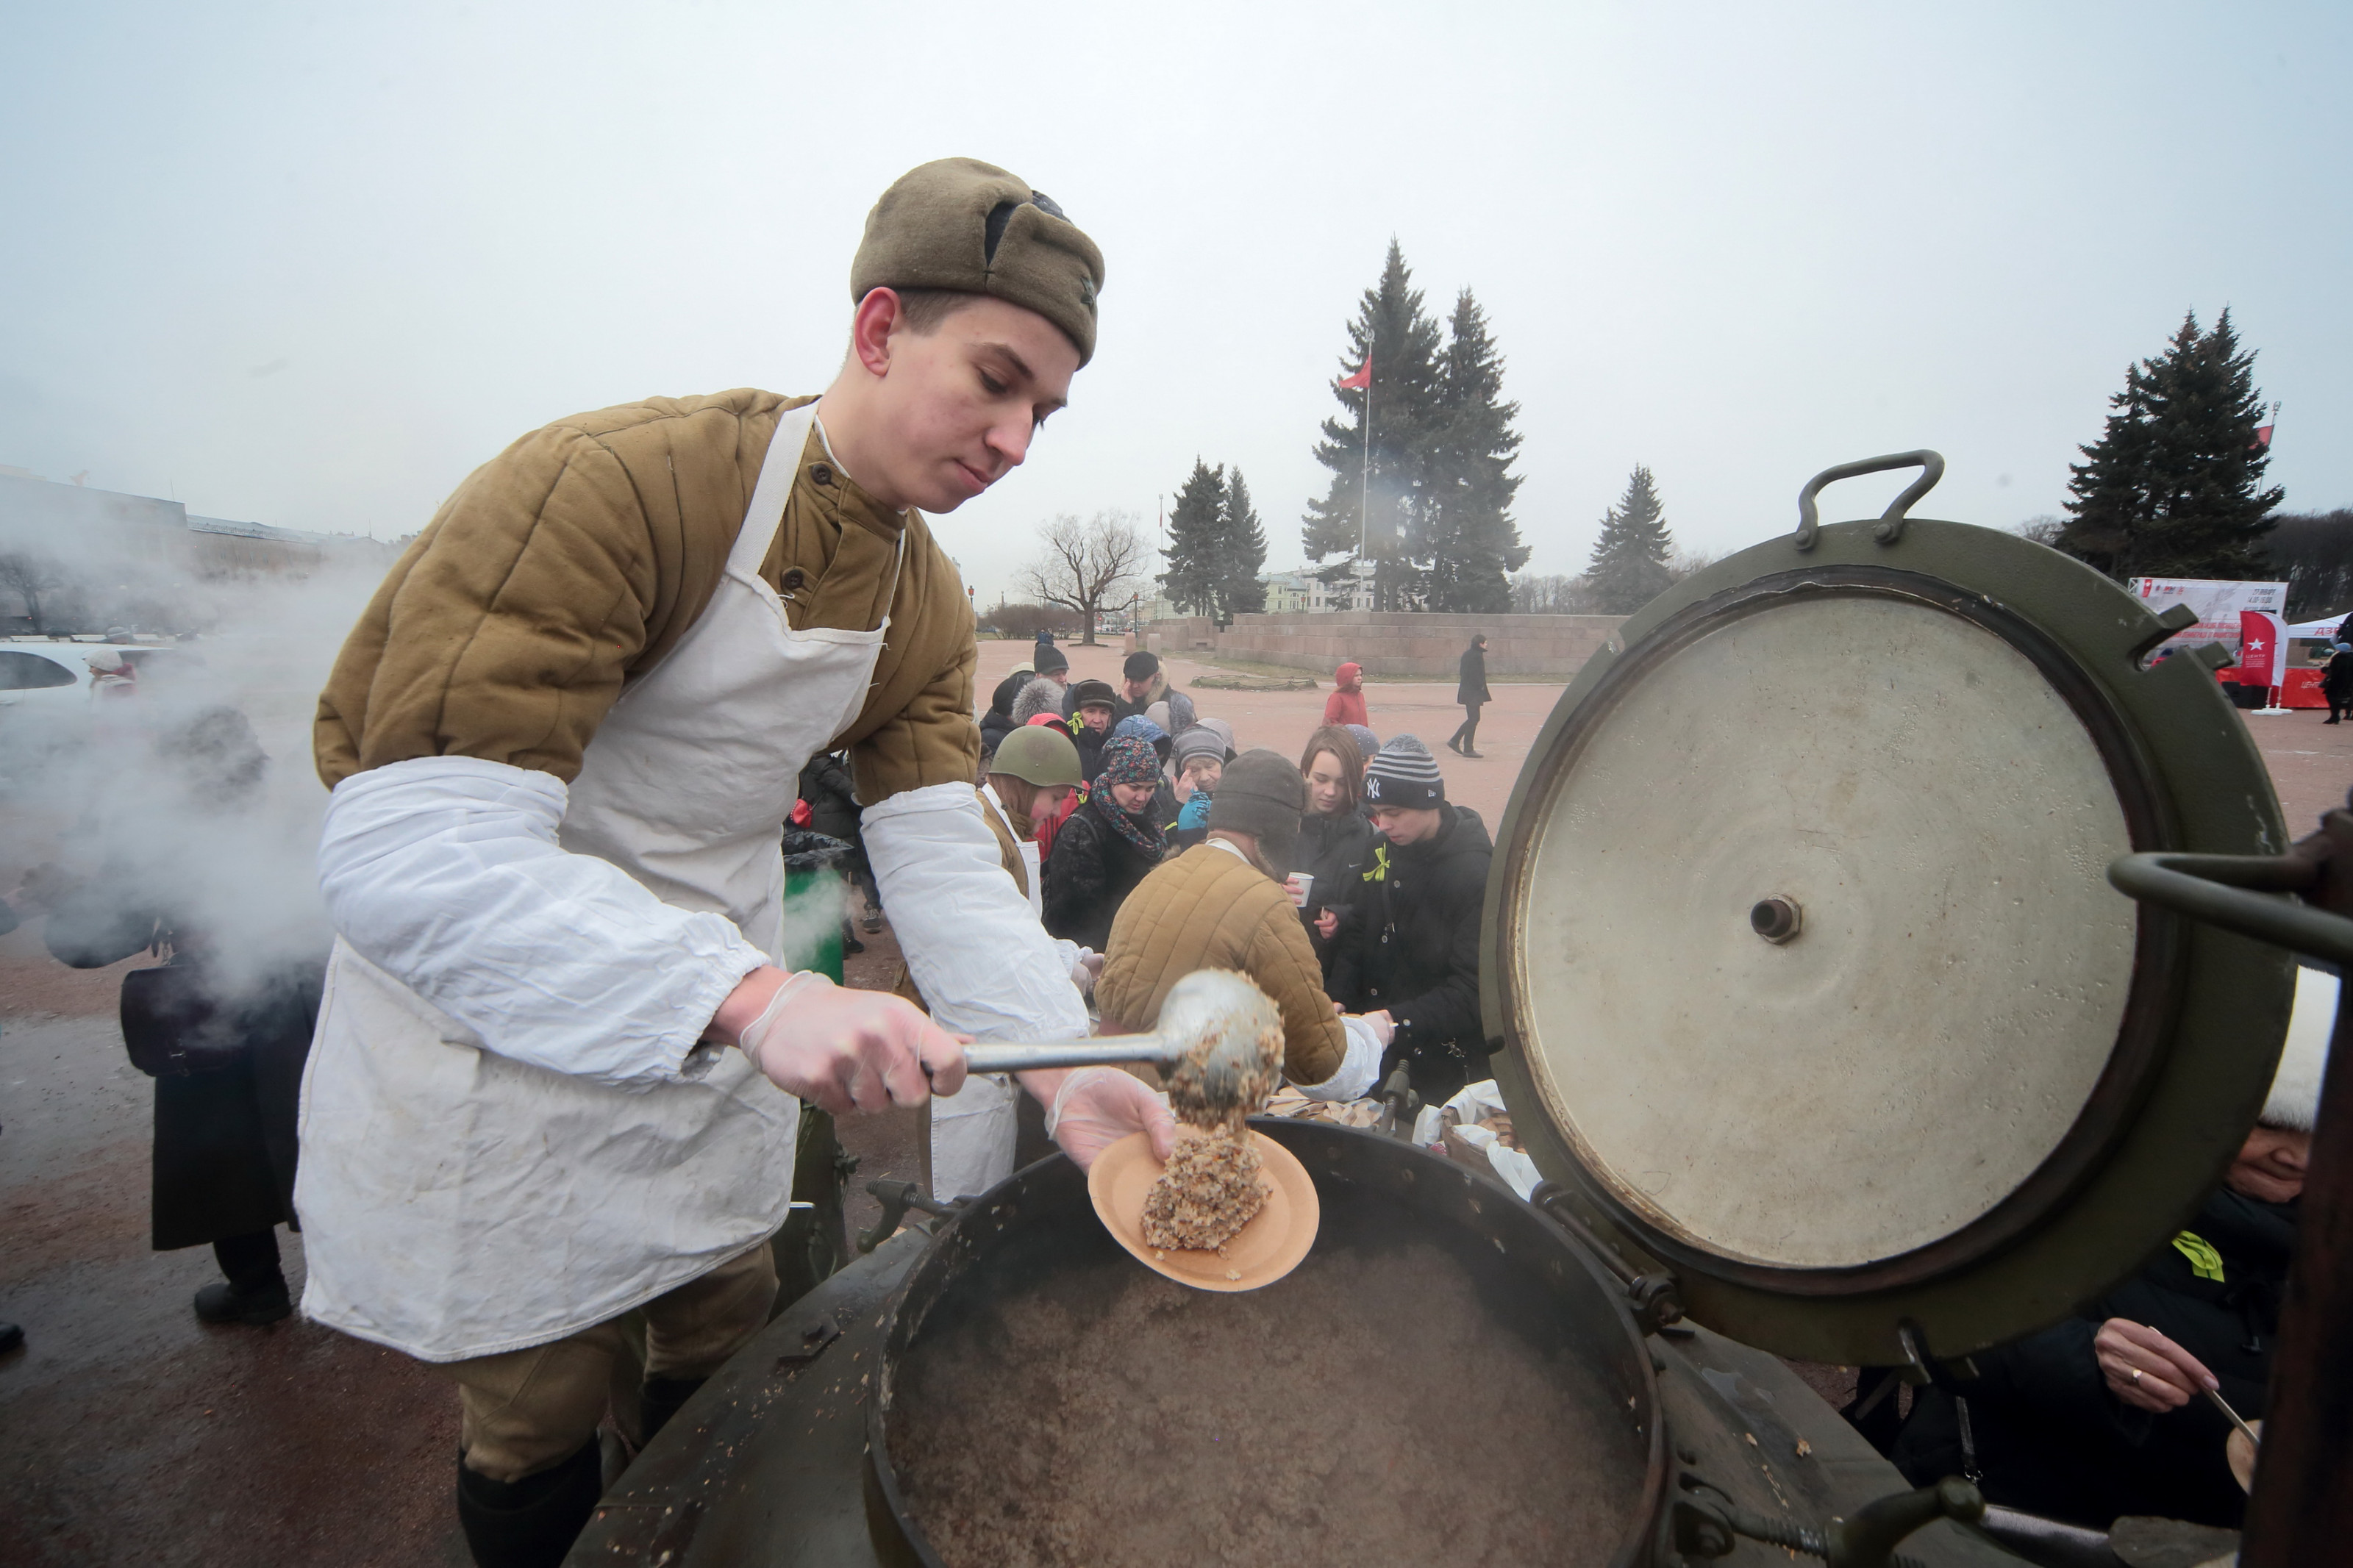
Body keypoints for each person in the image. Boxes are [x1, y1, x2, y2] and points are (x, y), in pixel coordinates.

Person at [301, 158, 1171, 1567]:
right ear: (880, 328)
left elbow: (945, 851)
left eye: (1045, 412)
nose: (1017, 440)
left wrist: (1059, 1058)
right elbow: (416, 846)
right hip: (506, 1018)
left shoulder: (926, 600)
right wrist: (759, 998)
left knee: (724, 1340)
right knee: (536, 1415)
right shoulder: (617, 484)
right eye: (995, 380)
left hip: (720, 1026)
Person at [1887, 964, 2327, 1529]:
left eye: (2324, 1129)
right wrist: (2086, 1360)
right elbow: (1938, 1316)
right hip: (2009, 1517)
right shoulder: (2084, 1177)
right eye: (2268, 1121)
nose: (2297, 1156)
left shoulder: (2333, 1245)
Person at [42, 706, 326, 1329]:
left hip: (208, 1003)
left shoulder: (158, 826)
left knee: (219, 1150)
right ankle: (355, 1281)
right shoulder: (300, 802)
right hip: (310, 997)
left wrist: (55, 902)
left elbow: (90, 940)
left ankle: (257, 1289)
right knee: (322, 1134)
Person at [1097, 750, 1388, 1098]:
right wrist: (1370, 1035)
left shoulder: (1160, 876)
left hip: (1110, 1092)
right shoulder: (1265, 904)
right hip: (1185, 1113)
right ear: (1282, 827)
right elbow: (1323, 1065)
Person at [928, 722, 1099, 1199]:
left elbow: (1020, 926)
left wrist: (1073, 955)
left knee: (989, 1177)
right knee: (963, 1189)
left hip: (991, 1021)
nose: (1060, 809)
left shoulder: (1009, 826)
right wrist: (1064, 971)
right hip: (962, 1023)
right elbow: (987, 942)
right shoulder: (982, 834)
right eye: (1056, 796)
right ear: (1023, 784)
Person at [1326, 736, 1494, 1101]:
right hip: (1377, 1047)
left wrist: (1394, 1021)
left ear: (1428, 801)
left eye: (1394, 813)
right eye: (1376, 812)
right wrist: (1337, 995)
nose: (1383, 824)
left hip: (1439, 1064)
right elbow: (1359, 931)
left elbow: (1472, 991)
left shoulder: (1475, 873)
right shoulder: (1379, 850)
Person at [1042, 734, 1166, 951]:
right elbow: (1074, 916)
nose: (1142, 797)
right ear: (1114, 780)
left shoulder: (1153, 819)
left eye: (1150, 788)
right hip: (1096, 954)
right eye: (1134, 787)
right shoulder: (1083, 830)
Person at [1294, 726, 1376, 970]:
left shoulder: (1370, 837)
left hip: (1340, 973)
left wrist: (1343, 916)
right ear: (1304, 772)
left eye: (1342, 783)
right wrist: (1272, 889)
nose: (1330, 792)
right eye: (1321, 779)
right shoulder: (1281, 828)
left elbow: (1374, 909)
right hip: (1281, 968)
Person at [1168, 727, 1224, 852]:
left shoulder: (1237, 792)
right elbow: (1169, 844)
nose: (1204, 778)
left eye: (1210, 766)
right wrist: (1180, 804)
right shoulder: (1169, 797)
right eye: (1194, 770)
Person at [1064, 677, 1118, 780]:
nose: (1097, 720)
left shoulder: (1116, 751)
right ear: (1076, 714)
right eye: (1091, 711)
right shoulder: (1064, 749)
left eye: (1104, 712)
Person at [1446, 634, 1490, 757]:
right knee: (1474, 718)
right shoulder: (1477, 656)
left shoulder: (1467, 654)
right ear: (1480, 644)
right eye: (1485, 643)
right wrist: (1480, 686)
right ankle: (1464, 746)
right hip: (1473, 692)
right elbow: (1476, 674)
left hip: (1467, 690)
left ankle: (1458, 742)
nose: (1486, 645)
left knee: (1473, 718)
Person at [1323, 661, 1369, 728]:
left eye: (1361, 675)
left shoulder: (1360, 696)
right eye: (1356, 676)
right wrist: (1344, 732)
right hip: (1344, 737)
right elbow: (1329, 722)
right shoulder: (1337, 697)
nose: (1360, 678)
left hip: (1360, 736)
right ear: (1347, 677)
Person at [2324, 641, 2353, 725]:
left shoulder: (2338, 658)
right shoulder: (2351, 658)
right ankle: (2337, 716)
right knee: (2340, 699)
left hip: (2335, 682)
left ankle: (2335, 716)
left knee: (2332, 698)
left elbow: (2334, 671)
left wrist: (2324, 670)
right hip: (2347, 683)